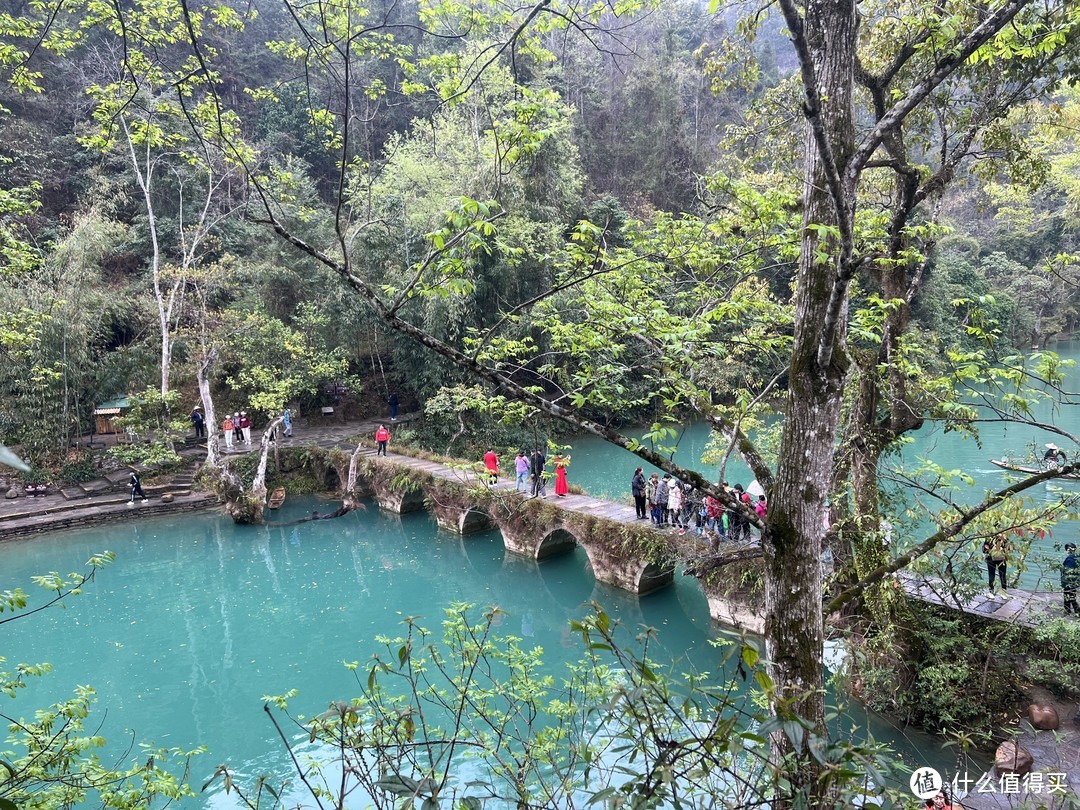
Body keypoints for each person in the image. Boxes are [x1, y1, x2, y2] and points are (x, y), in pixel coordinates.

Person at [1062, 542, 1078, 616]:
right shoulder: (1077, 557)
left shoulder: (1070, 558)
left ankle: (1068, 611)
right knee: (1071, 595)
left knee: (1067, 596)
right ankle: (1070, 611)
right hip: (1076, 580)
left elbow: (1067, 570)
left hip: (1069, 580)